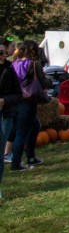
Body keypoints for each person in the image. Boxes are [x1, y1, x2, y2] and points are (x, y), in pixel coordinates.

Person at [9, 41, 46, 172]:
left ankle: (31, 157)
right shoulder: (34, 64)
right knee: (21, 133)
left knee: (34, 126)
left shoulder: (13, 64)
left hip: (15, 100)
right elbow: (43, 81)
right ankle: (16, 163)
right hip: (28, 100)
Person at [0, 46, 23, 198]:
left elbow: (18, 94)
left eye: (3, 52)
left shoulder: (8, 69)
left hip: (3, 116)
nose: (3, 55)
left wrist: (4, 100)